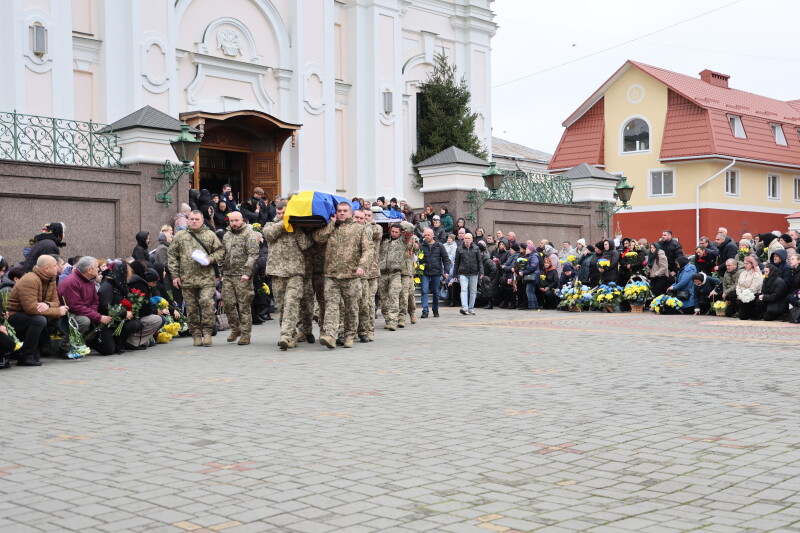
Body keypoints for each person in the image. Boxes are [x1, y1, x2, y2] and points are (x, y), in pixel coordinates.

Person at [313, 202, 372, 349]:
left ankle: (349, 335)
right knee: (331, 306)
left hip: (351, 275)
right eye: (339, 211)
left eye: (345, 211)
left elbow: (368, 249)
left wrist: (362, 266)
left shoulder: (359, 229)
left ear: (350, 212)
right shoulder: (330, 227)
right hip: (331, 275)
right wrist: (331, 225)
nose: (342, 213)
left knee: (351, 308)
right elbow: (318, 239)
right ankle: (330, 335)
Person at [167, 210, 224, 347]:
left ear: (202, 221)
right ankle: (196, 335)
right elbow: (172, 255)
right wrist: (175, 275)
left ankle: (208, 333)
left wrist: (210, 259)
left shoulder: (210, 235)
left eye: (197, 219)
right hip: (187, 279)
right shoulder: (180, 236)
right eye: (191, 219)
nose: (194, 221)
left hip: (206, 279)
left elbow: (220, 251)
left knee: (206, 303)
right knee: (191, 309)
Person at [264, 201, 312, 350]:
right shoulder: (270, 225)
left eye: (284, 213)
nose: (281, 216)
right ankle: (290, 336)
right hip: (277, 272)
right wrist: (283, 223)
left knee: (291, 303)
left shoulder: (296, 227)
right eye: (278, 213)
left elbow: (306, 244)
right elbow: (269, 235)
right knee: (283, 306)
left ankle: (285, 335)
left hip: (295, 271)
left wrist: (300, 228)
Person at [7, 255, 68, 366]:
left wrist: (47, 304)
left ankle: (34, 352)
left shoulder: (51, 279)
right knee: (39, 320)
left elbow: (56, 302)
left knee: (40, 318)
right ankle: (25, 357)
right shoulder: (30, 279)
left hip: (28, 314)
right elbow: (31, 309)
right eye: (55, 265)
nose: (59, 267)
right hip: (13, 316)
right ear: (46, 268)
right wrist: (58, 311)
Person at [57, 256, 112, 352]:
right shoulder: (71, 282)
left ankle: (80, 343)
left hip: (82, 311)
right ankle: (64, 347)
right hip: (66, 314)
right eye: (96, 267)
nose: (98, 269)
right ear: (89, 270)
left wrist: (93, 312)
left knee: (94, 317)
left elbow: (95, 300)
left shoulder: (89, 280)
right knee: (84, 321)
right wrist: (96, 316)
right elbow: (75, 307)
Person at [222, 211, 260, 346]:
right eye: (231, 221)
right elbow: (223, 253)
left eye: (236, 220)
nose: (234, 223)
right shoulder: (226, 235)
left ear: (242, 220)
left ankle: (245, 334)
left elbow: (253, 255)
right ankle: (235, 329)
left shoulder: (250, 235)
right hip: (228, 275)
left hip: (242, 276)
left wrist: (247, 272)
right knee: (228, 303)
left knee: (244, 305)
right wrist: (221, 270)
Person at [357, 209, 383, 341]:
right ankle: (358, 328)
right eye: (363, 216)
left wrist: (366, 224)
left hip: (372, 272)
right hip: (359, 272)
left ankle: (370, 329)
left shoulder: (376, 228)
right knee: (358, 302)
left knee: (369, 301)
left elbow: (374, 234)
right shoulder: (354, 229)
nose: (365, 219)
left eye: (368, 216)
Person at [378, 223, 407, 331]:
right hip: (382, 273)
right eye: (392, 231)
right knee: (384, 299)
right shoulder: (384, 240)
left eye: (396, 232)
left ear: (400, 232)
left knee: (394, 296)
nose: (394, 234)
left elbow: (410, 229)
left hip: (395, 273)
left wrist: (400, 222)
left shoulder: (402, 241)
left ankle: (393, 321)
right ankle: (387, 319)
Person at [419, 227, 450, 318]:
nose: (427, 237)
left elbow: (445, 259)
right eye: (425, 235)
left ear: (433, 235)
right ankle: (425, 310)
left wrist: (446, 271)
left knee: (436, 292)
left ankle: (435, 309)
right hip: (424, 272)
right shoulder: (421, 245)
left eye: (428, 235)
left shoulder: (439, 245)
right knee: (424, 291)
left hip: (436, 271)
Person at [453, 233, 483, 315]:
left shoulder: (476, 248)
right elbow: (456, 262)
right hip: (463, 273)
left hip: (474, 272)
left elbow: (479, 261)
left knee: (473, 291)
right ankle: (465, 308)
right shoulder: (459, 249)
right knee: (463, 289)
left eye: (468, 238)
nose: (466, 240)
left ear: (472, 239)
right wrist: (455, 275)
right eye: (465, 238)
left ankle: (471, 308)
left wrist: (481, 272)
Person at [736, 256, 763, 320]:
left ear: (752, 264)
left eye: (747, 263)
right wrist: (739, 293)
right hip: (742, 295)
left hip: (752, 295)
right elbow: (738, 285)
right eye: (744, 263)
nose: (745, 265)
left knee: (751, 316)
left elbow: (754, 288)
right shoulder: (742, 273)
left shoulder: (756, 274)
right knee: (742, 317)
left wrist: (745, 294)